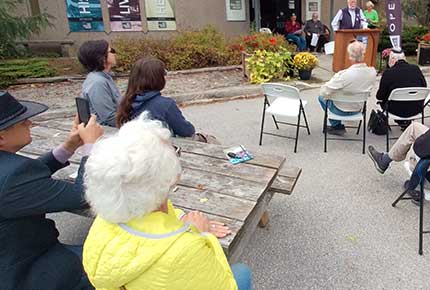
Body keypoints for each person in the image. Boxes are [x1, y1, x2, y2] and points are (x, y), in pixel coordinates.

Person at [82, 115, 251, 290]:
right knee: (241, 272)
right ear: (167, 178)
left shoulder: (102, 221)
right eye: (174, 151)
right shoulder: (186, 250)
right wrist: (199, 235)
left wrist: (180, 222)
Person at [0, 91, 103, 290]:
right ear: (2, 137)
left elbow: (24, 178)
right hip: (28, 271)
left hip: (12, 258)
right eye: (22, 122)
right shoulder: (14, 178)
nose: (30, 124)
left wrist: (69, 146)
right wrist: (91, 147)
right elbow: (82, 195)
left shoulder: (12, 173)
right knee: (114, 263)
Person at [116, 57, 196, 137]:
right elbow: (186, 131)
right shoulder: (165, 105)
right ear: (158, 78)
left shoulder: (125, 102)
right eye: (163, 73)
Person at [318, 42, 377, 133]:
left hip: (340, 110)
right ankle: (337, 125)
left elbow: (324, 91)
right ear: (363, 55)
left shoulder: (344, 75)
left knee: (321, 97)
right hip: (358, 109)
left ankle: (336, 126)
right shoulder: (372, 73)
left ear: (350, 56)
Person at [78, 39, 120, 127]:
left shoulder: (104, 77)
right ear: (101, 57)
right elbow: (109, 117)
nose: (114, 53)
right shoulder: (97, 82)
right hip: (106, 131)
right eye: (111, 51)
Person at [376, 48, 427, 119]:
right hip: (416, 109)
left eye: (389, 59)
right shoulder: (416, 69)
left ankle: (402, 122)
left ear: (392, 59)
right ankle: (405, 123)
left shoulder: (388, 73)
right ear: (404, 58)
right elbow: (424, 86)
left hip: (394, 110)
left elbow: (380, 96)